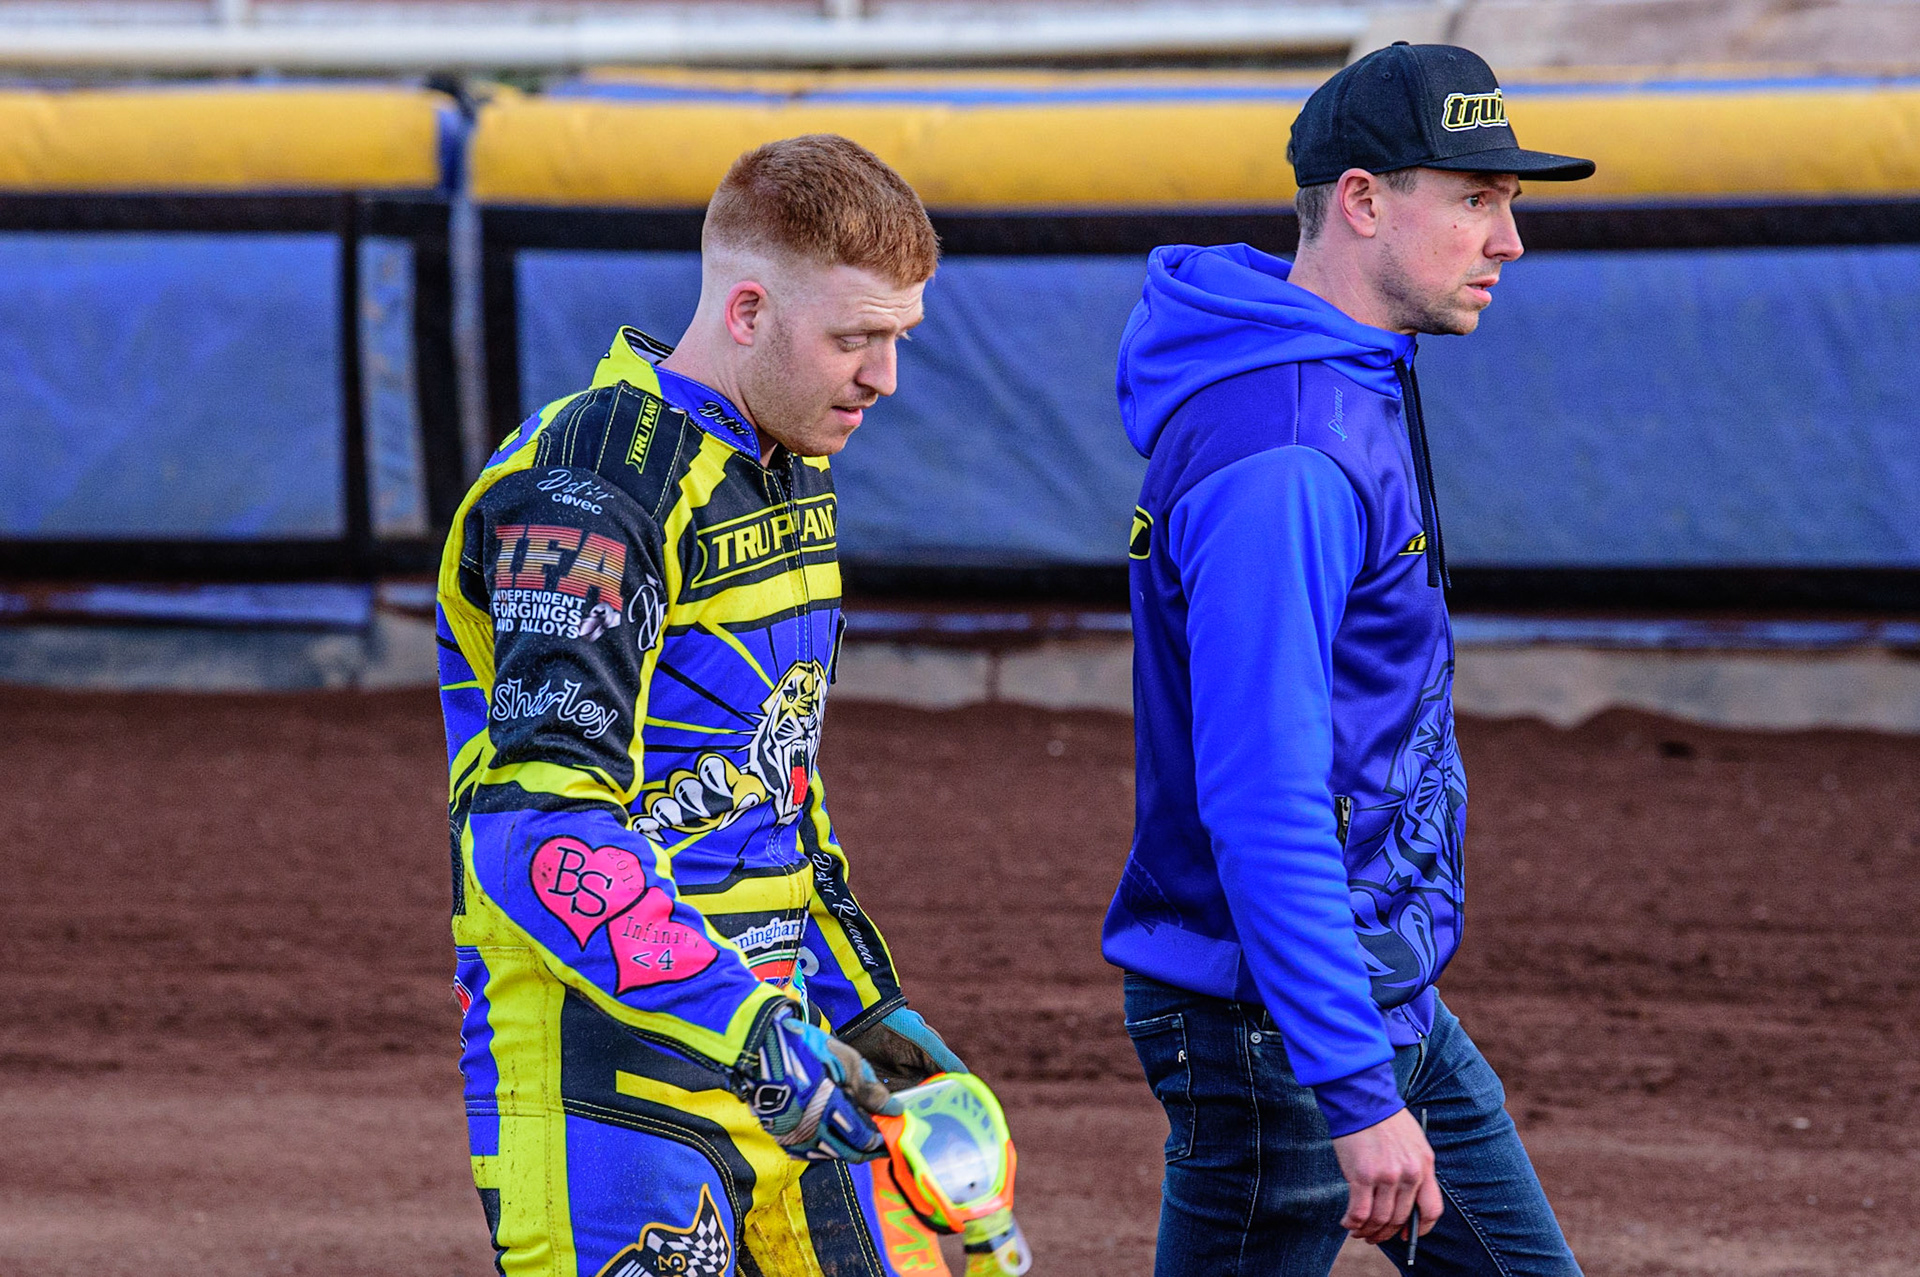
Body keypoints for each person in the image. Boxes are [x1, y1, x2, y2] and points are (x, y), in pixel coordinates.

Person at [436, 134, 969, 1277]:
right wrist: (751, 1024)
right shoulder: (588, 490)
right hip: (604, 1091)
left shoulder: (790, 461)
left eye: (897, 338)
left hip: (781, 1056)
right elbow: (536, 831)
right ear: (744, 309)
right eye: (855, 338)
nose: (885, 378)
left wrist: (861, 996)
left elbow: (778, 773)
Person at [1103, 44, 1595, 1276]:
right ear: (1365, 201)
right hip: (1278, 1021)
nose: (1508, 241)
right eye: (1475, 200)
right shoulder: (1288, 451)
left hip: (1367, 984)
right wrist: (1353, 1087)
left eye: (1510, 203)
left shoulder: (1354, 378)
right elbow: (1263, 799)